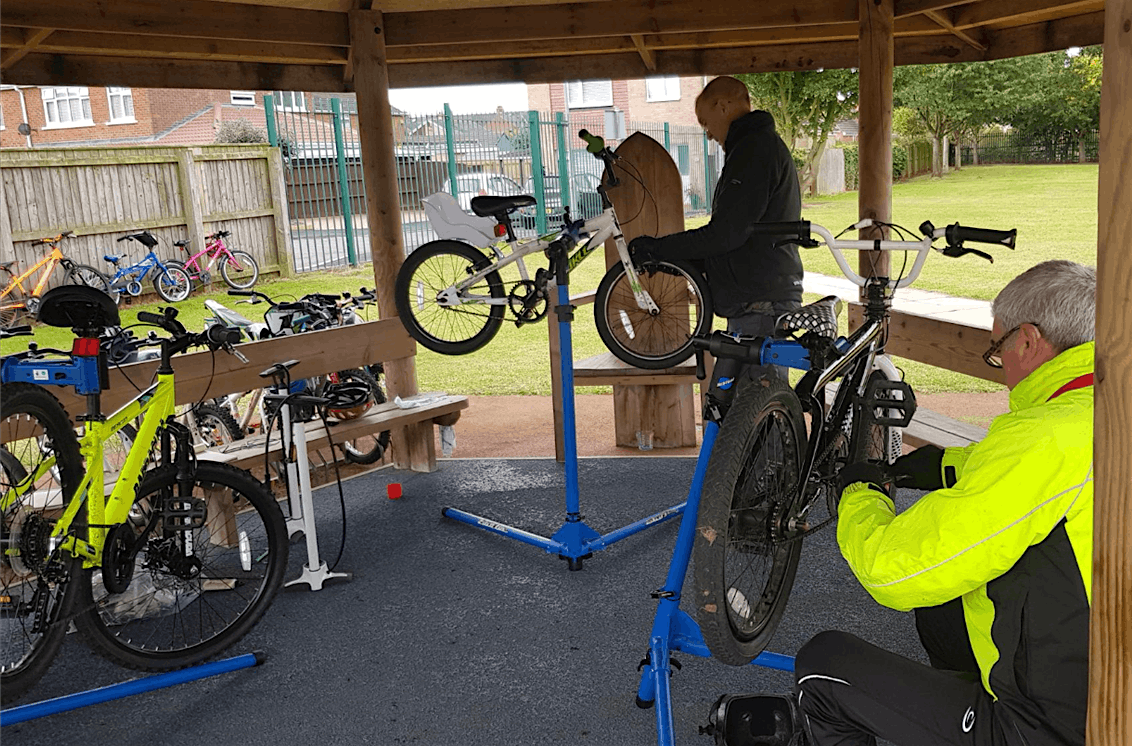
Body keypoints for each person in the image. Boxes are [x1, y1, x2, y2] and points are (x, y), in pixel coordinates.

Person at [794, 260, 1096, 746]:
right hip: (1102, 685)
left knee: (822, 666)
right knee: (942, 611)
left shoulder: (1045, 438)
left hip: (1061, 728)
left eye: (997, 349)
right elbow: (1039, 480)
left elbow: (893, 568)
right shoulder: (1102, 406)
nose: (1000, 367)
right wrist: (938, 466)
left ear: (1028, 340)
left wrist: (861, 492)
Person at [628, 75, 804, 381]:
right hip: (757, 299)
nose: (708, 134)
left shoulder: (754, 151)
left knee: (756, 415)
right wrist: (669, 260)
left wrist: (659, 250)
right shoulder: (753, 147)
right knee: (749, 414)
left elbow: (726, 234)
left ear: (723, 106)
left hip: (761, 305)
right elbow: (737, 239)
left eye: (704, 122)